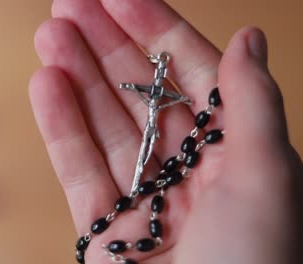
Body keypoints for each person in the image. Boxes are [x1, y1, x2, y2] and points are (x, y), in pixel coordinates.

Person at [28, 1, 302, 263]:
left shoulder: (163, 94)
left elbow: (172, 98)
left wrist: (181, 100)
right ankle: (139, 181)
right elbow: (140, 90)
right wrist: (130, 89)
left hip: (155, 129)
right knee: (144, 154)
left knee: (147, 151)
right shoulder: (152, 91)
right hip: (151, 128)